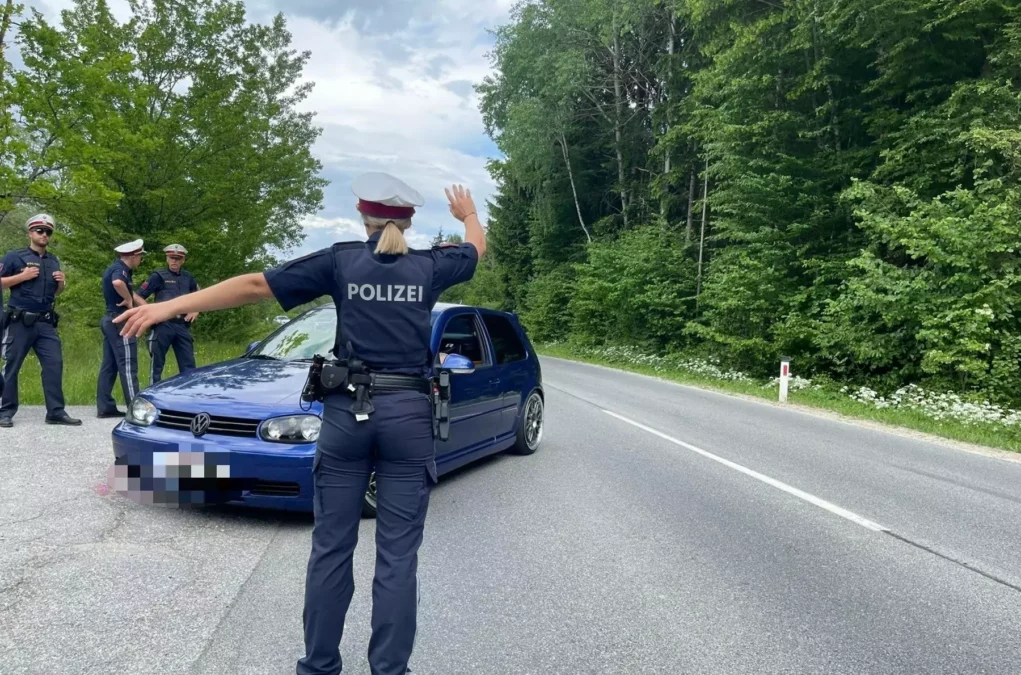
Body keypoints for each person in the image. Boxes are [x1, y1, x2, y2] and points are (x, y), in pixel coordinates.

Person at [114, 173, 486, 675]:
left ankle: (319, 666)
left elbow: (253, 286)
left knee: (332, 547)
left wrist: (170, 305)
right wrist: (467, 214)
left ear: (363, 214)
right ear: (410, 220)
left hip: (347, 415)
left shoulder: (339, 262)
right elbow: (475, 248)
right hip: (408, 415)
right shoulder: (431, 266)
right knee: (399, 555)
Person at [0, 213, 81, 427]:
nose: (44, 235)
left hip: (45, 323)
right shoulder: (14, 257)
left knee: (54, 364)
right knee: (12, 366)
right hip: (19, 322)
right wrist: (22, 276)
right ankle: (5, 411)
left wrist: (62, 284)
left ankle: (55, 412)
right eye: (40, 231)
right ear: (30, 233)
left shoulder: (53, 260)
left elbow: (55, 293)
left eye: (48, 232)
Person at [97, 239, 147, 418]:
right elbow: (118, 283)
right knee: (128, 365)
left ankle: (105, 407)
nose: (141, 260)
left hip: (110, 319)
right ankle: (136, 409)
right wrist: (127, 299)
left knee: (109, 365)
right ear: (133, 256)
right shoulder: (121, 270)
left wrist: (145, 306)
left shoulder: (114, 268)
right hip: (120, 322)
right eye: (140, 256)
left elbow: (127, 289)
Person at [138, 243, 199, 384]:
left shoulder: (188, 277)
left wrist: (195, 310)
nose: (174, 261)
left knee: (189, 365)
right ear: (167, 258)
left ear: (183, 260)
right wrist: (151, 312)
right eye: (171, 258)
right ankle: (153, 393)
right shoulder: (158, 276)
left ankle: (189, 393)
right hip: (163, 325)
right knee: (157, 365)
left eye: (178, 258)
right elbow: (138, 296)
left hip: (182, 325)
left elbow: (198, 295)